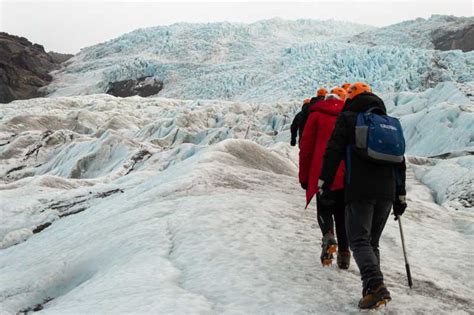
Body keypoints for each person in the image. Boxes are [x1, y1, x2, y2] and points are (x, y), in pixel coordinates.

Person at [318, 82, 407, 309]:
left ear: (350, 99)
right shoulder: (389, 122)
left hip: (359, 189)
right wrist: (400, 196)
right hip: (387, 192)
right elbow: (400, 162)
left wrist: (324, 183)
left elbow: (333, 150)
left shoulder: (348, 118)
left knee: (358, 240)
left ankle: (376, 285)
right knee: (371, 243)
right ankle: (370, 293)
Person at [299, 87, 350, 268]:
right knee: (342, 214)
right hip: (344, 172)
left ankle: (328, 236)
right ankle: (344, 255)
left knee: (324, 208)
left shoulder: (316, 115)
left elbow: (306, 148)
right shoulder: (347, 115)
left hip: (322, 172)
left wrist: (304, 178)